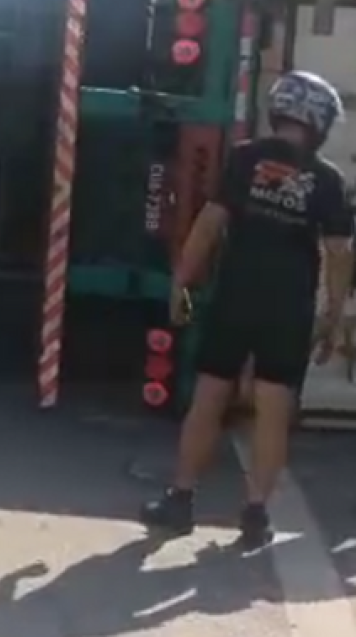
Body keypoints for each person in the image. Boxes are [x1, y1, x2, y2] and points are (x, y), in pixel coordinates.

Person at [141, 70, 354, 549]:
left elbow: (210, 224)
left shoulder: (244, 158)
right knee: (272, 410)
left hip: (236, 297)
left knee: (210, 397)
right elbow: (340, 255)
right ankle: (256, 514)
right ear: (321, 122)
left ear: (278, 109)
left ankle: (180, 500)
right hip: (289, 309)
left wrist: (181, 281)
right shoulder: (327, 180)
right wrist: (334, 316)